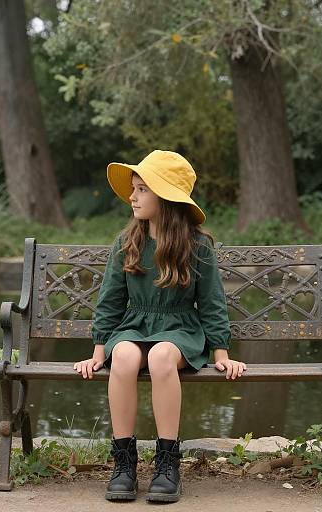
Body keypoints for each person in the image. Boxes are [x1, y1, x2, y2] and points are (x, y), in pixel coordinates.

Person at [73, 149, 246, 503]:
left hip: (180, 327)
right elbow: (109, 302)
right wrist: (98, 350)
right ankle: (124, 464)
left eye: (142, 190)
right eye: (133, 189)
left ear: (165, 196)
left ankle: (167, 464)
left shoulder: (197, 246)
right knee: (122, 358)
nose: (132, 197)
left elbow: (212, 302)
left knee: (162, 358)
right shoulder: (127, 243)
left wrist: (221, 351)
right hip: (134, 323)